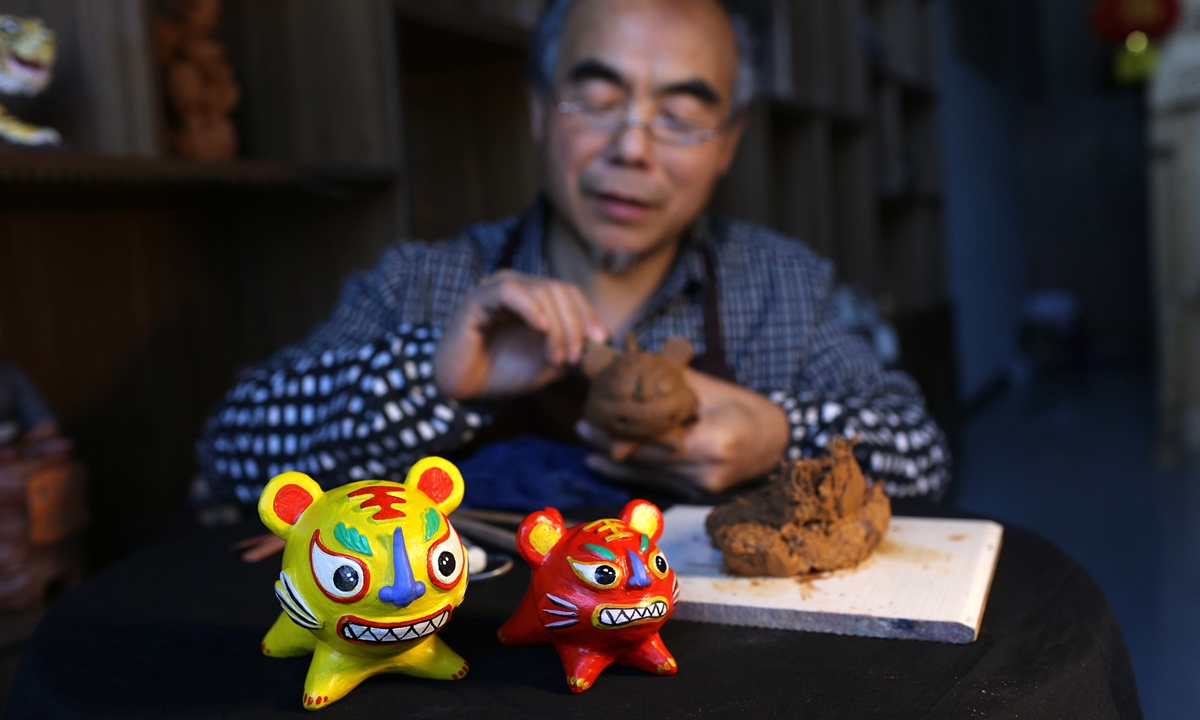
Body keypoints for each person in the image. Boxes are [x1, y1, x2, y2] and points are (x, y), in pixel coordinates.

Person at [193, 0, 951, 511]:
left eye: (682, 117)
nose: (631, 149)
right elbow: (232, 454)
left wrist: (779, 437)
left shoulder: (779, 287)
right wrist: (434, 376)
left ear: (729, 142)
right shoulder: (426, 280)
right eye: (595, 101)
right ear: (537, 108)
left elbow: (921, 455)